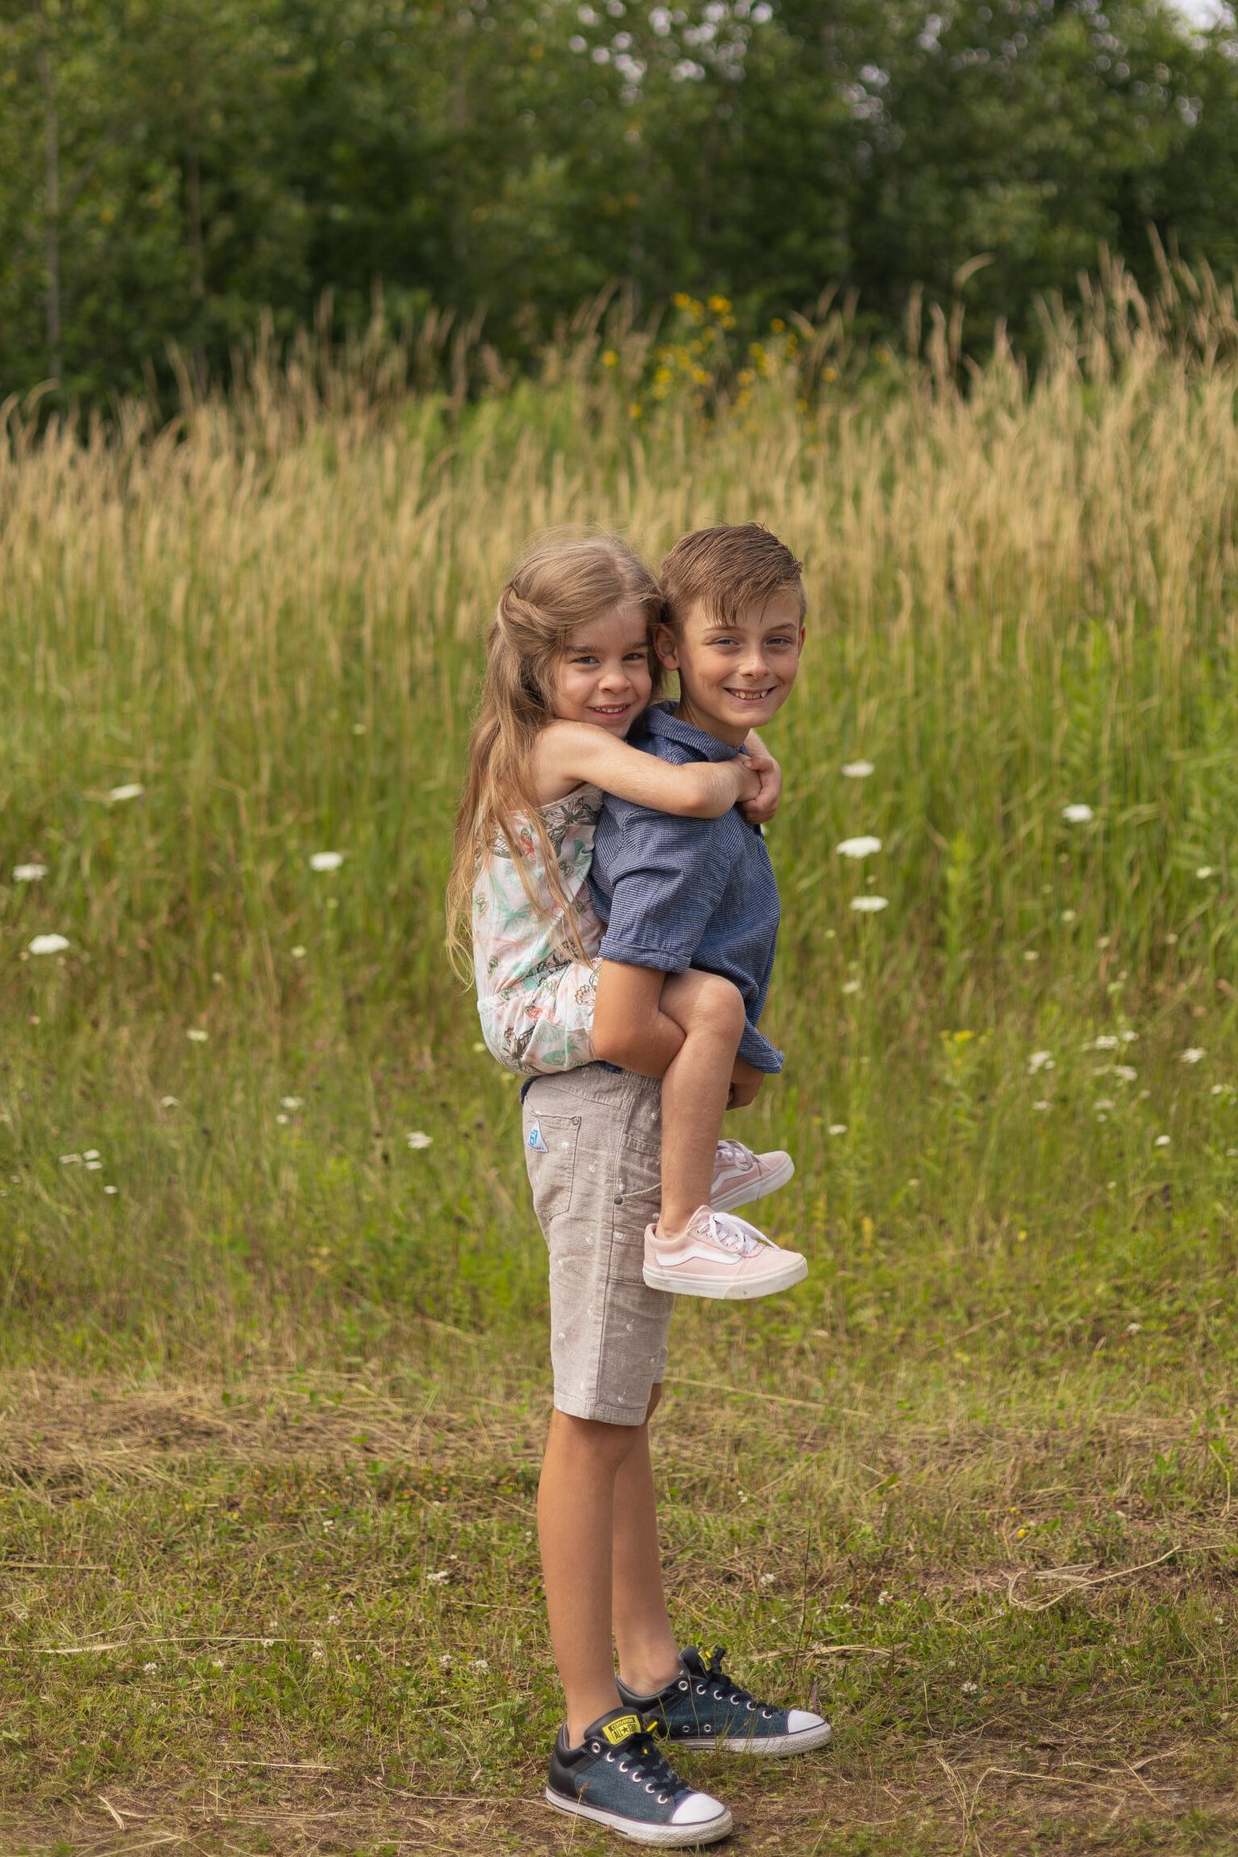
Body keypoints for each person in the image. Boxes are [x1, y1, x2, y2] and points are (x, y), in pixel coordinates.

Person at [513, 523, 831, 1845]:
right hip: (601, 1097)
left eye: (780, 637)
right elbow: (630, 1003)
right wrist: (736, 1071)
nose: (752, 664)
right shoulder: (663, 787)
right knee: (592, 1409)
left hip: (631, 1100)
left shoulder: (684, 763)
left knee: (629, 1395)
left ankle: (652, 1669)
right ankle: (593, 1732)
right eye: (720, 640)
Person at [448, 529, 807, 1289]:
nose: (618, 682)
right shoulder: (557, 744)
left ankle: (696, 1143)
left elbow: (677, 745)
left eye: (632, 658)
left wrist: (757, 750)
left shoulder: (603, 734)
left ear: (660, 651)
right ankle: (682, 1224)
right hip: (532, 999)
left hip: (563, 978)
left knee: (711, 1014)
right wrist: (742, 779)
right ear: (535, 666)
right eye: (587, 660)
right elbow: (683, 789)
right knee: (711, 1006)